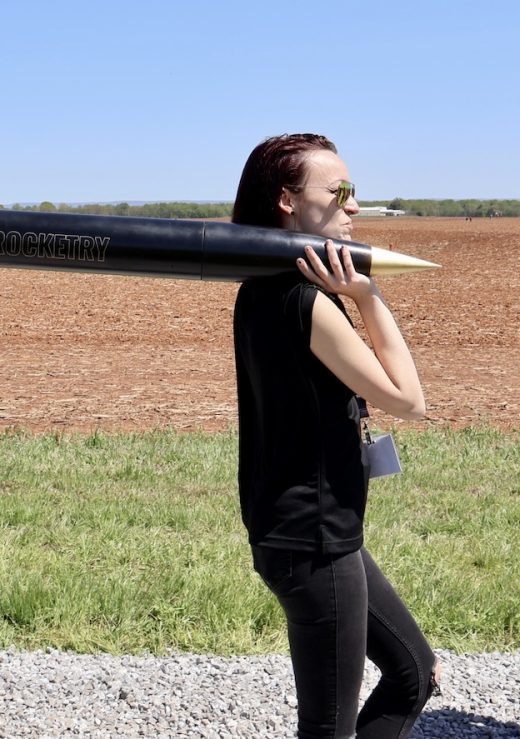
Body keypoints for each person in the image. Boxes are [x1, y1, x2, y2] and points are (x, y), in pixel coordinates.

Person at [231, 133, 440, 738]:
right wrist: (368, 295)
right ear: (287, 202)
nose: (352, 206)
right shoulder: (306, 302)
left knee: (414, 673)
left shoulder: (260, 288)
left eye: (355, 194)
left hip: (309, 535)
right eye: (338, 192)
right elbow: (408, 401)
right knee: (330, 730)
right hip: (315, 541)